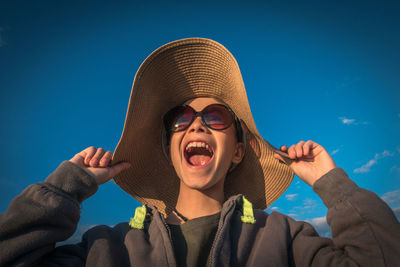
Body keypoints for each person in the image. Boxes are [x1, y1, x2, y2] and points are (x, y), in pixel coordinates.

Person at [0, 38, 399, 267]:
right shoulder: (108, 249)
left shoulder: (286, 240)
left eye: (216, 116)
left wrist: (331, 183)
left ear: (238, 151)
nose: (196, 124)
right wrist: (65, 186)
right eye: (181, 117)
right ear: (169, 150)